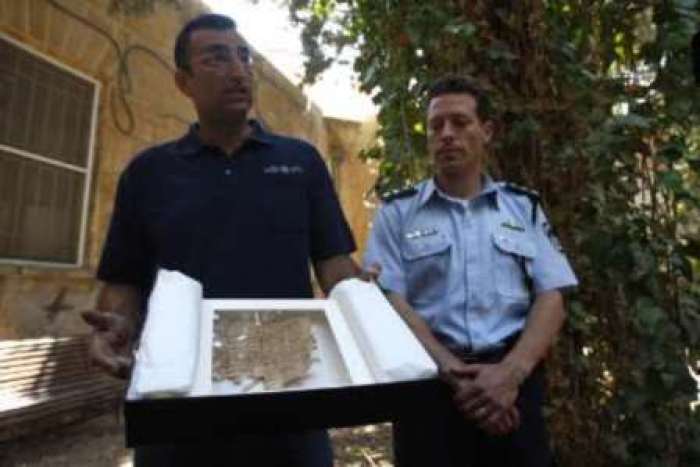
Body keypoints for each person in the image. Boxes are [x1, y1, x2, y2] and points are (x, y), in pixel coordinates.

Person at [82, 13, 362, 467]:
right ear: (183, 81)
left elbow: (335, 267)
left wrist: (361, 300)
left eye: (244, 56)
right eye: (216, 58)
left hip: (288, 389)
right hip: (178, 393)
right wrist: (116, 328)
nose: (238, 70)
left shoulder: (302, 163)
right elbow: (125, 281)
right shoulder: (149, 173)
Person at [364, 76, 578, 467]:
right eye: (436, 126)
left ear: (487, 131)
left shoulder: (523, 208)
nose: (446, 134)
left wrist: (510, 375)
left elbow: (553, 295)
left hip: (512, 390)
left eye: (460, 123)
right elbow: (387, 300)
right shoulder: (396, 213)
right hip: (426, 390)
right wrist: (452, 371)